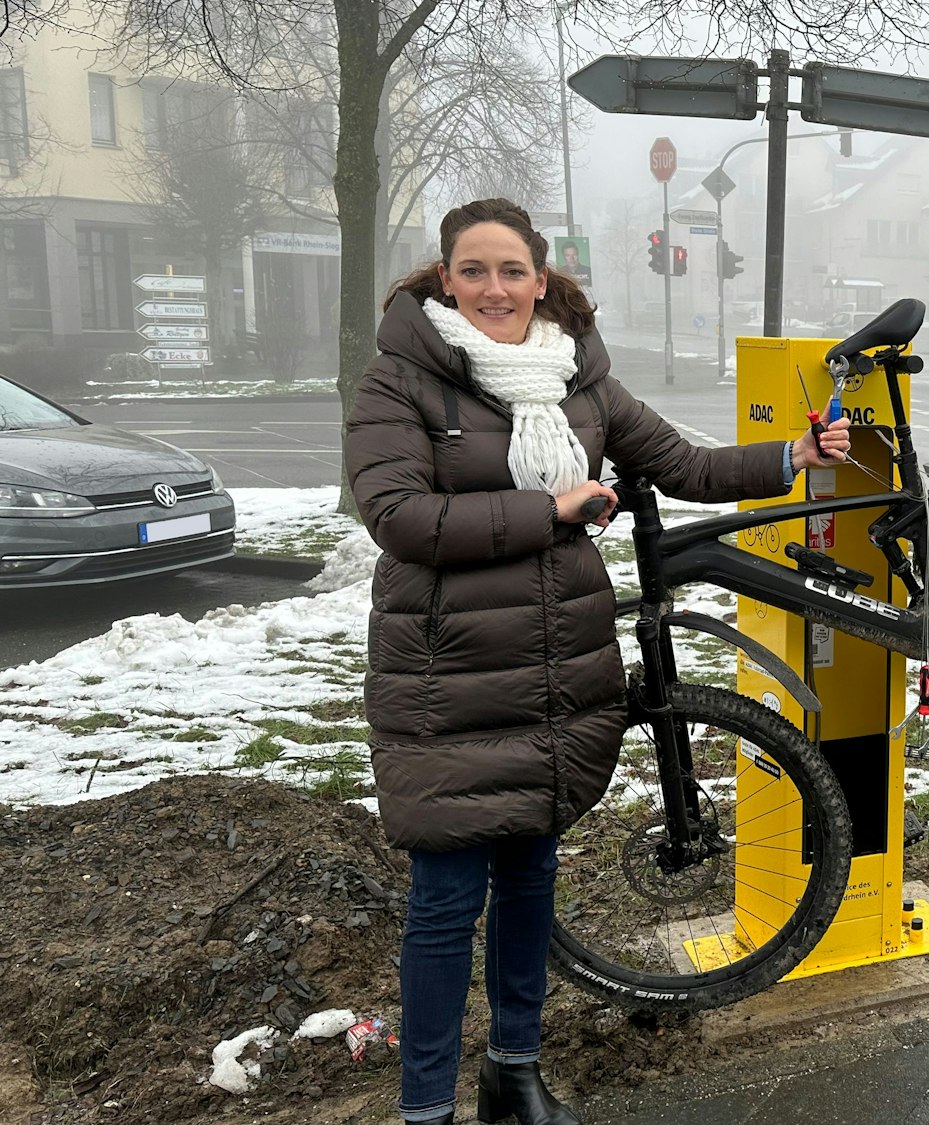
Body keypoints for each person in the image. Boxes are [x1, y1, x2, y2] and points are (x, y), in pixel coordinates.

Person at [345, 198, 851, 1125]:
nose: (494, 288)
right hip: (444, 679)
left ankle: (515, 1071)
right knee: (445, 903)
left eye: (511, 271)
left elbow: (685, 464)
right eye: (473, 271)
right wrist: (553, 512)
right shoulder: (401, 380)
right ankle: (426, 1110)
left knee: (533, 876)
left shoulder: (580, 379)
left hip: (556, 672)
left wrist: (794, 452)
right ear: (442, 279)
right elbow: (400, 518)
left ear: (542, 279)